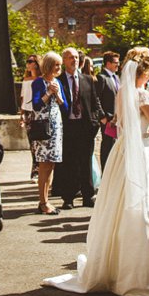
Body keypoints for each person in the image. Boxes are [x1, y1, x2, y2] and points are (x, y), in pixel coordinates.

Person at [44, 47, 149, 296]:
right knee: (147, 205)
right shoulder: (143, 95)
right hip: (143, 151)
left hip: (123, 150)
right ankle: (143, 273)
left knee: (120, 205)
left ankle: (116, 267)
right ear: (145, 71)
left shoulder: (123, 92)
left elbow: (120, 121)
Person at [53, 48, 104, 210]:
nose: (74, 60)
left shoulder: (87, 79)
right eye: (70, 58)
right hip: (68, 127)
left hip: (85, 126)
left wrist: (96, 121)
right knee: (69, 163)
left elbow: (94, 102)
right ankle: (68, 197)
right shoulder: (58, 81)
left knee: (86, 162)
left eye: (76, 57)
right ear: (64, 60)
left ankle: (88, 196)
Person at [30, 51, 68, 214]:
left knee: (51, 164)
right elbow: (37, 105)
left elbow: (65, 107)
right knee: (44, 165)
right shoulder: (39, 82)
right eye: (56, 65)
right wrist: (48, 93)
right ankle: (43, 201)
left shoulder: (58, 82)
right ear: (48, 66)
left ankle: (47, 200)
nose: (59, 68)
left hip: (56, 126)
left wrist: (58, 94)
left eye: (60, 65)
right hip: (43, 127)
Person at [94, 51, 122, 171]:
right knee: (107, 145)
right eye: (116, 62)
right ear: (108, 63)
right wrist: (102, 117)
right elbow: (96, 98)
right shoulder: (102, 78)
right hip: (108, 119)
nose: (118, 65)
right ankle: (105, 171)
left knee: (115, 145)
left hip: (117, 118)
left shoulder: (116, 77)